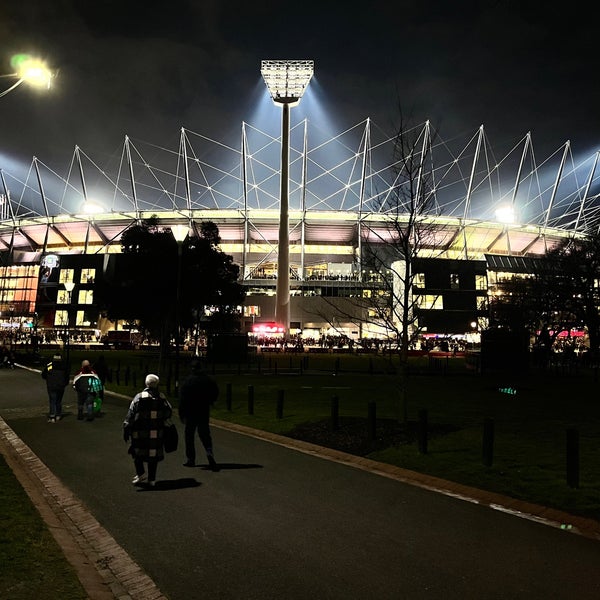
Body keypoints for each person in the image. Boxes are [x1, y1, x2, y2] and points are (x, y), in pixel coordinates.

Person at [123, 374, 172, 487]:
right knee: (153, 455)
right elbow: (168, 412)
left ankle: (140, 473)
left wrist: (126, 426)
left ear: (146, 383)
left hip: (140, 431)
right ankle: (152, 479)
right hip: (156, 432)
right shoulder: (162, 397)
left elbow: (131, 413)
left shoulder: (139, 397)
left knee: (136, 451)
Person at [178, 360, 219, 470]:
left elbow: (182, 398)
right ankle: (209, 452)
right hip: (203, 409)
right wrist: (210, 401)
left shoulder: (188, 381)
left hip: (191, 411)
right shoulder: (208, 380)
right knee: (205, 434)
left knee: (189, 435)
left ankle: (191, 459)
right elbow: (215, 392)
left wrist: (181, 413)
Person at [41, 354, 69, 423]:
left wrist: (49, 379)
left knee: (52, 401)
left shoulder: (49, 365)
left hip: (51, 385)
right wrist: (64, 384)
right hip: (61, 386)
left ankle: (52, 416)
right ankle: (58, 415)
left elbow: (44, 375)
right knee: (58, 401)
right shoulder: (64, 366)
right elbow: (66, 376)